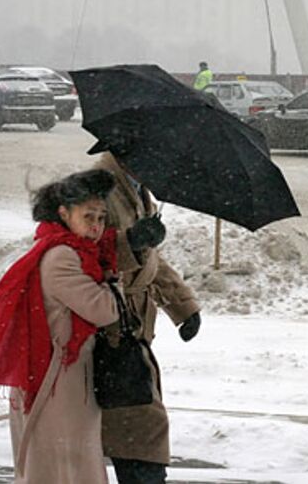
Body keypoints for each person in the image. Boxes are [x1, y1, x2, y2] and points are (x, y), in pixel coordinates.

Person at [0, 169, 122, 484]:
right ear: (64, 213)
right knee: (64, 466)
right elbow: (105, 310)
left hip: (60, 375)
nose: (97, 226)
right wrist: (115, 281)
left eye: (101, 217)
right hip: (58, 380)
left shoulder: (72, 252)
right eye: (88, 216)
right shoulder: (63, 257)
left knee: (62, 463)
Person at [93, 150, 202, 484]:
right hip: (109, 331)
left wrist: (183, 306)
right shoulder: (98, 189)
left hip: (132, 329)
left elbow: (151, 261)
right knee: (137, 425)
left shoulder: (138, 191)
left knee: (132, 425)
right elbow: (80, 252)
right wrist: (131, 241)